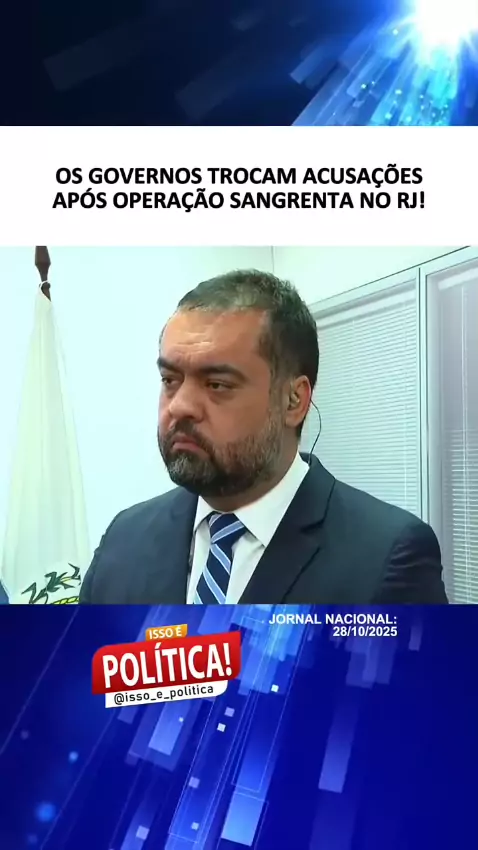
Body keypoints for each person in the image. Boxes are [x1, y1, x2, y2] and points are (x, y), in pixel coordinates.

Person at [80, 269, 448, 605]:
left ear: (293, 401)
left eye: (217, 384)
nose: (180, 407)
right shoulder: (123, 540)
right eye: (170, 380)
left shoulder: (387, 557)